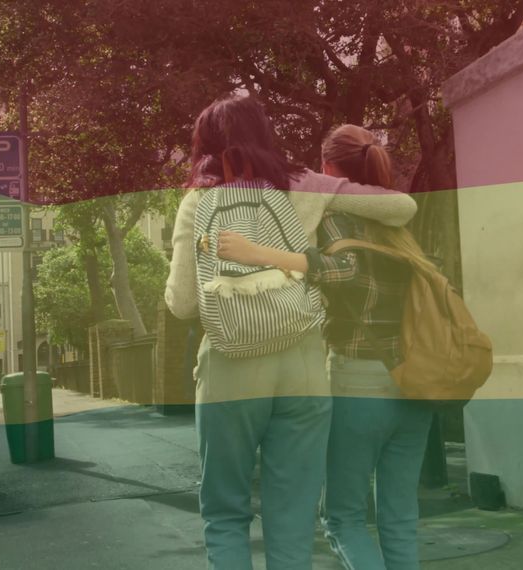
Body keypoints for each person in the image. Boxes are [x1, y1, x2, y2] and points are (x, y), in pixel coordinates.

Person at [164, 98, 418, 570]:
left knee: (225, 511)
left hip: (230, 366)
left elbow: (181, 304)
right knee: (293, 517)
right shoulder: (307, 186)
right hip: (303, 366)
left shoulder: (199, 201)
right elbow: (402, 206)